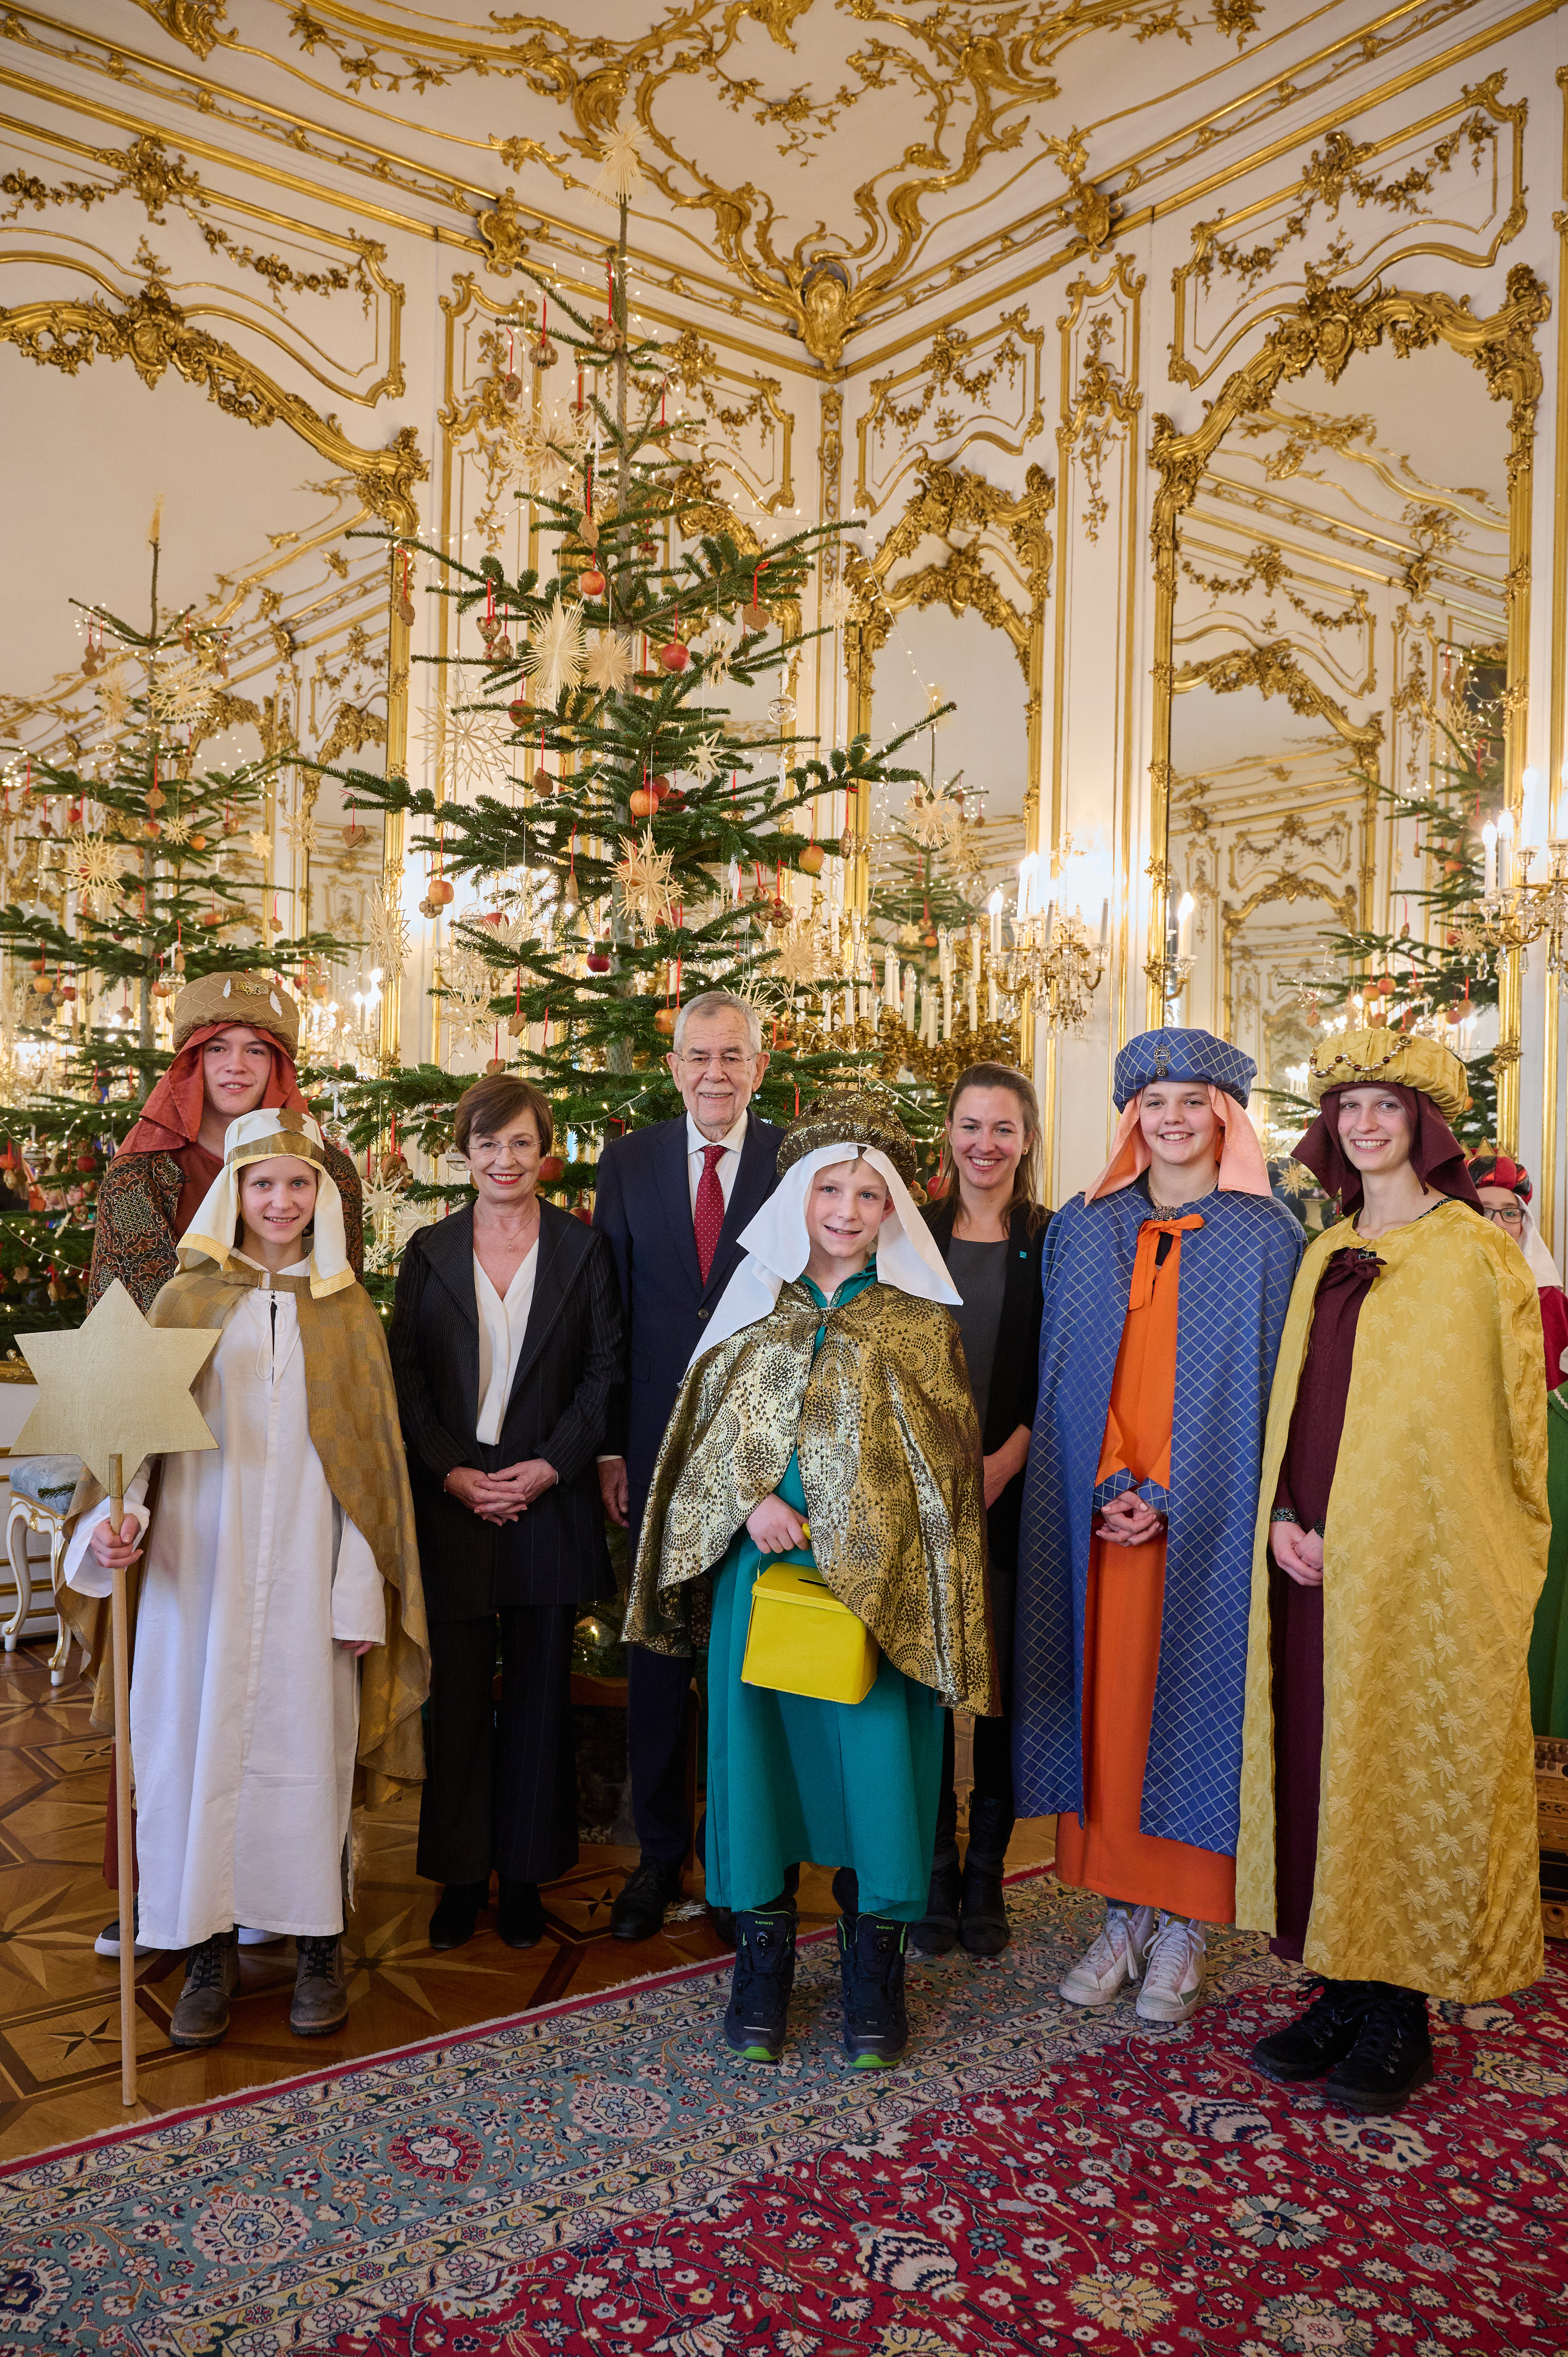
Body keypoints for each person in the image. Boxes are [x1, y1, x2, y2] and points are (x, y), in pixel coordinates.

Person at [624, 1094, 994, 2068]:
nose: (844, 1207)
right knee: (758, 1771)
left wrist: (860, 1530)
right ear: (797, 1197)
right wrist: (749, 1502)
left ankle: (873, 1974)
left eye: (866, 1194)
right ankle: (764, 1967)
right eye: (828, 1188)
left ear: (891, 1211)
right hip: (767, 1584)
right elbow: (701, 1446)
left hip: (878, 1598)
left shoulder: (916, 1324)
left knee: (876, 1771)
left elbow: (946, 1472)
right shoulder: (753, 1308)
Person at [60, 1111, 427, 2048]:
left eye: (297, 1186)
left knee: (309, 1757)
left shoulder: (347, 1312)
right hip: (196, 1573)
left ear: (321, 1200)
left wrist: (357, 1592)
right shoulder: (183, 1299)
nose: (279, 1202)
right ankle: (206, 1954)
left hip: (311, 1575)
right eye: (261, 1185)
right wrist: (119, 1523)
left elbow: (369, 1478)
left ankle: (315, 1945)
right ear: (235, 1194)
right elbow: (129, 1447)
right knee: (192, 1756)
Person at [1238, 1028, 1548, 2114]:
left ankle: (1399, 2015)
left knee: (1401, 1763)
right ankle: (1340, 1984)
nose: (1367, 1126)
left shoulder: (1473, 1254)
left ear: (1423, 1124)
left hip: (1416, 1571)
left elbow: (1489, 1437)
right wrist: (1284, 1513)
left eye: (1387, 1108)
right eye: (1350, 1109)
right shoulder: (1325, 1250)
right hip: (1308, 1554)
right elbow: (1298, 1405)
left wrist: (1391, 1535)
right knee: (1328, 1762)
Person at [1014, 1029, 1303, 2025]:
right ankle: (1122, 1911)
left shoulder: (1267, 1238)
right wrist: (1108, 1486)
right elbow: (1059, 1379)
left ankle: (1186, 1922)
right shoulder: (1083, 1228)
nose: (1170, 1119)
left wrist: (1172, 1495)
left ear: (1224, 1115)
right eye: (1152, 1102)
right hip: (1099, 1519)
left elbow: (1269, 1396)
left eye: (1191, 1101)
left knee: (1195, 1707)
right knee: (1110, 1709)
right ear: (1129, 1115)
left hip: (1208, 1527)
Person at [82, 972, 367, 1959]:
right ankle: (172, 1898)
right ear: (190, 1064)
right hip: (192, 1477)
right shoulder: (143, 1179)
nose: (238, 1069)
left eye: (258, 1051)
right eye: (218, 1052)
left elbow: (339, 1330)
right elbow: (129, 1336)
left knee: (299, 1707)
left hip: (292, 1477)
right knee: (177, 1702)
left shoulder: (320, 1170)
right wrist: (121, 1495)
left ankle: (295, 1907)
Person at [390, 1075, 622, 1953]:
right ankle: (457, 1878)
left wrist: (551, 1468)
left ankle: (523, 1878)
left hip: (544, 1495)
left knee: (537, 1699)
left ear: (543, 1153)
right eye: (488, 1144)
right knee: (454, 1699)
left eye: (520, 1144)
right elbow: (403, 1378)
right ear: (465, 1154)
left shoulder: (582, 1251)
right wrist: (450, 1471)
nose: (504, 1160)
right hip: (454, 1500)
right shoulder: (428, 1251)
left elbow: (605, 1370)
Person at [593, 989, 783, 1940]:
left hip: (764, 1464)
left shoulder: (797, 1162)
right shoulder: (625, 1163)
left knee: (749, 1666)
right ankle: (657, 1858)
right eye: (696, 1056)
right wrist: (609, 1448)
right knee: (659, 1664)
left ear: (758, 1065)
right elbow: (608, 1315)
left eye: (731, 1056)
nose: (713, 1073)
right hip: (654, 1458)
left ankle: (746, 1867)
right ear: (672, 1067)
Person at [914, 1062, 1047, 1959]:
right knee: (924, 1685)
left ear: (1026, 1140)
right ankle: (929, 1867)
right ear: (949, 1135)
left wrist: (1007, 1458)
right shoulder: (909, 1234)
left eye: (1002, 1128)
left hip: (1013, 1489)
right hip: (918, 1491)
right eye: (970, 1126)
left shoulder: (1052, 1237)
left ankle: (984, 1873)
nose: (984, 1145)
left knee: (994, 1690)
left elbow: (1070, 1363)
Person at [1465, 1148, 1568, 1389]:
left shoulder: (1552, 1303)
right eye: (1482, 1211)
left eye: (1510, 1213)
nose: (1498, 1224)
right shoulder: (1427, 1289)